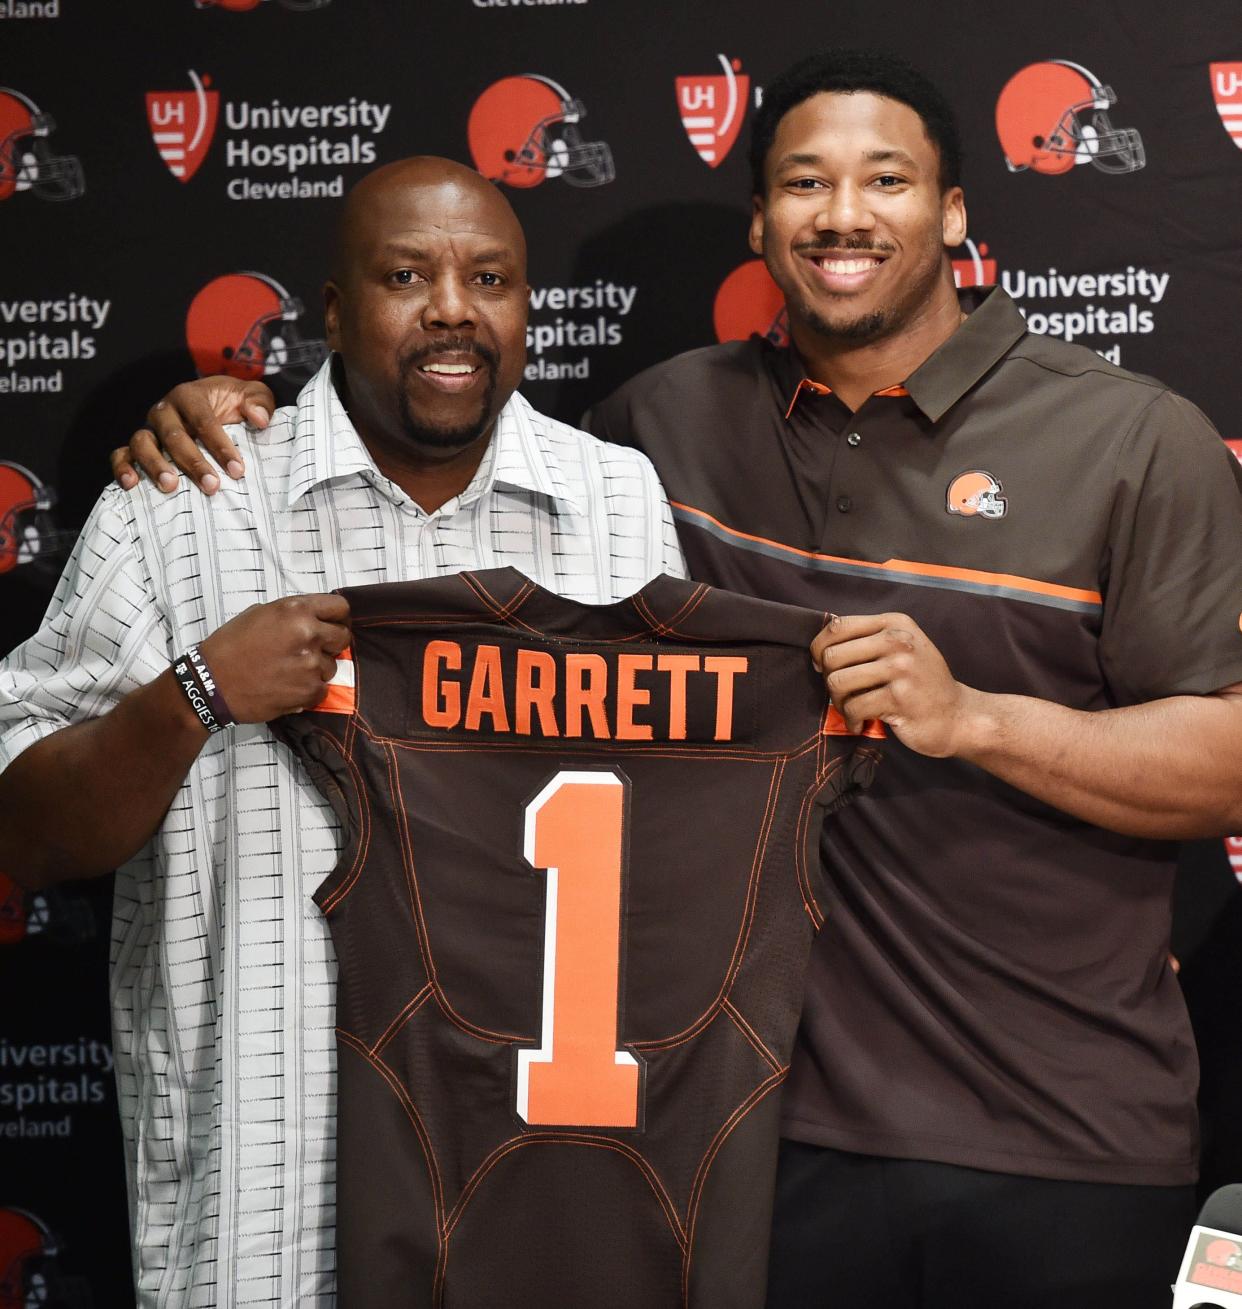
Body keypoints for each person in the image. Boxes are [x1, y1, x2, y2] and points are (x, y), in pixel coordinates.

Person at [110, 50, 1242, 1309]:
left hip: (1066, 1136)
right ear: (762, 222)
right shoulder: (653, 442)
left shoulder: (1138, 439)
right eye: (807, 182)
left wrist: (974, 717)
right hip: (768, 1134)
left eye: (888, 180)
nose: (846, 215)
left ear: (956, 211)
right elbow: (446, 447)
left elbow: (1230, 764)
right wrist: (226, 416)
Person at [0, 156, 683, 1306]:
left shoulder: (619, 504)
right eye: (406, 274)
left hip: (544, 1186)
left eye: (492, 277)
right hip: (268, 1190)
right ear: (331, 310)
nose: (453, 307)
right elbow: (23, 826)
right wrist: (198, 691)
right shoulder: (186, 505)